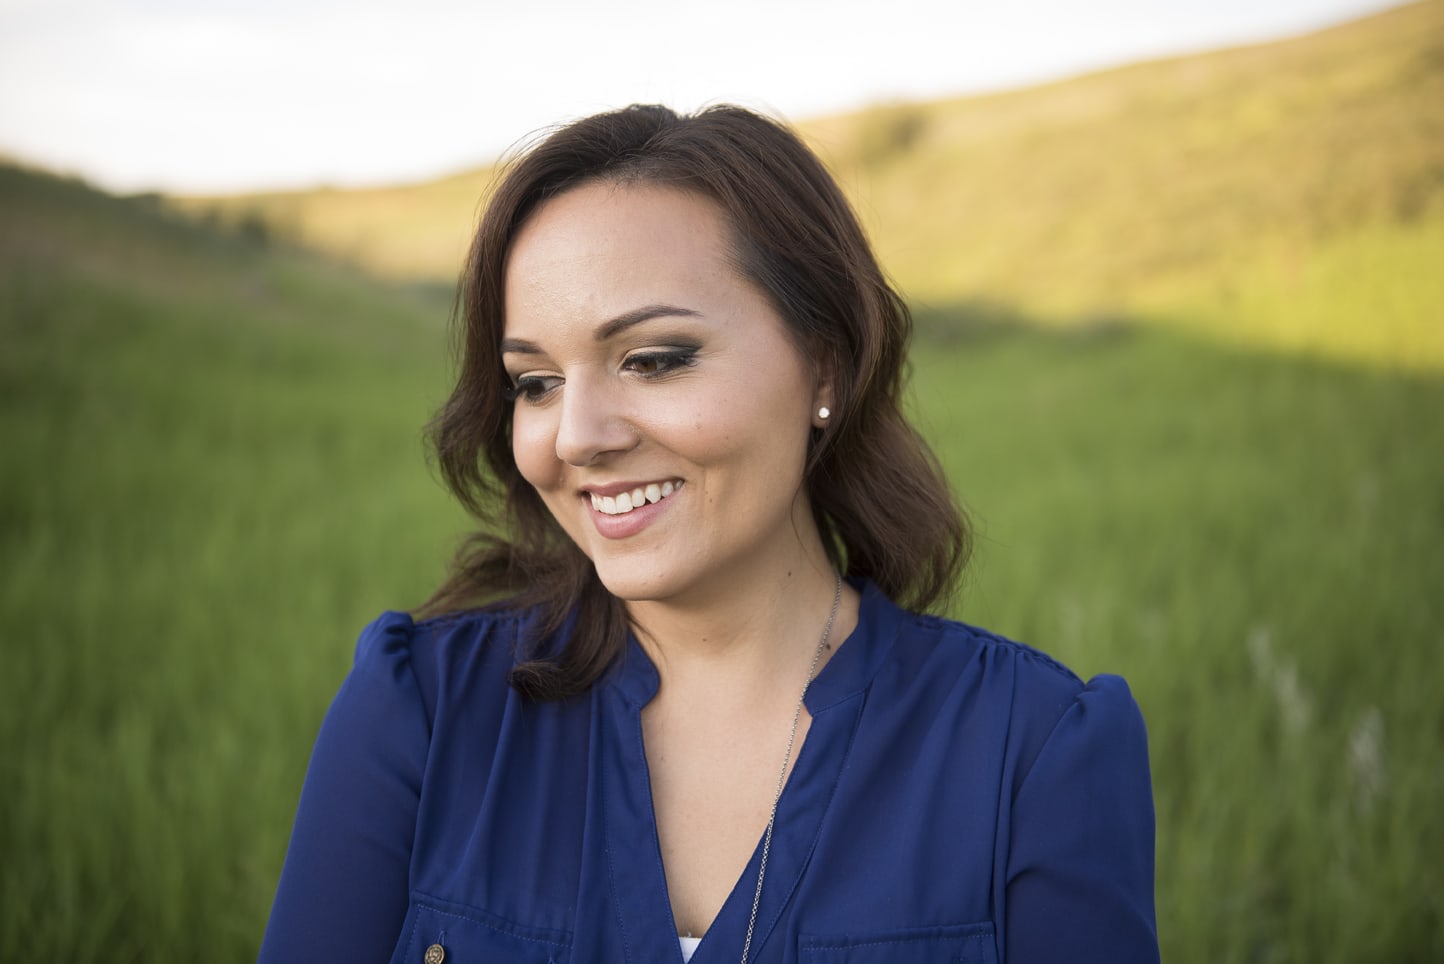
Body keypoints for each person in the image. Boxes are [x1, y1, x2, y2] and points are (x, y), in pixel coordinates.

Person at [258, 104, 1158, 964]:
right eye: (535, 382)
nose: (577, 436)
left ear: (825, 366)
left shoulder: (1033, 751)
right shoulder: (422, 715)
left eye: (653, 360)